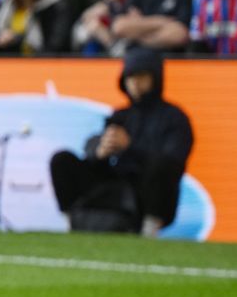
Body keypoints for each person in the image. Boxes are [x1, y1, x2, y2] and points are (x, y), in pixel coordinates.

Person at [49, 48, 192, 237]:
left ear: (155, 78)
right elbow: (93, 146)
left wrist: (130, 148)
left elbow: (174, 160)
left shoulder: (174, 117)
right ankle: (71, 222)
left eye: (141, 76)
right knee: (61, 160)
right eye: (130, 77)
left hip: (146, 192)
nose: (135, 83)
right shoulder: (120, 115)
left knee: (163, 166)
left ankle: (149, 231)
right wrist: (100, 151)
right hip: (112, 187)